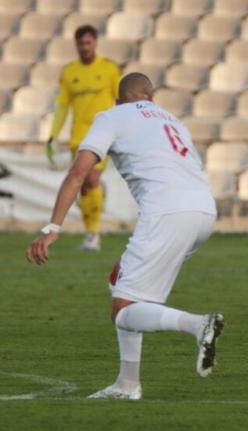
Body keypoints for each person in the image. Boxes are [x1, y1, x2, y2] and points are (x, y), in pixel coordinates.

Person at [27, 73, 224, 400]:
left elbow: (79, 172)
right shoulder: (174, 121)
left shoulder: (112, 116)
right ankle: (127, 384)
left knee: (122, 309)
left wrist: (52, 228)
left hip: (167, 213)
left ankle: (198, 324)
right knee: (119, 279)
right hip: (204, 212)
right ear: (152, 96)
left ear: (118, 100)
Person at [46, 24, 121, 251]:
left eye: (88, 43)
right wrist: (53, 135)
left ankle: (94, 235)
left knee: (91, 178)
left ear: (95, 43)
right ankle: (91, 234)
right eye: (81, 43)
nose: (85, 47)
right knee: (85, 187)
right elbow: (61, 106)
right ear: (76, 45)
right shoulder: (69, 72)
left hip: (104, 134)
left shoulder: (109, 69)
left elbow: (121, 101)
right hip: (79, 137)